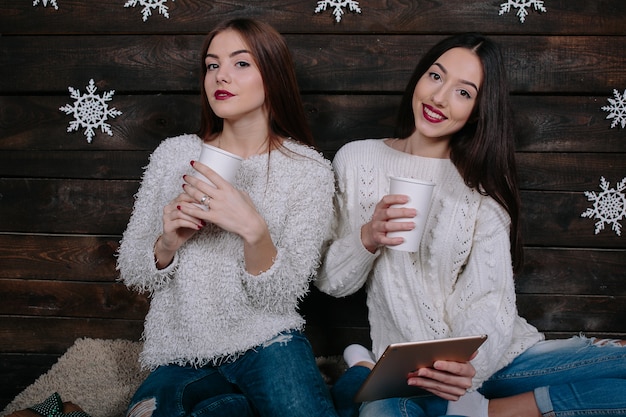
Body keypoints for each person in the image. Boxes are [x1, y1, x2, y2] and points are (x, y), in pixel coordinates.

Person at [315, 33, 626, 417]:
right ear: (419, 78)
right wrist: (368, 236)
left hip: (491, 359)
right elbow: (331, 281)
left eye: (463, 93)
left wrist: (469, 367)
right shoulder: (356, 160)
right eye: (435, 76)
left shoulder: (480, 189)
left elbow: (489, 301)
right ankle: (395, 378)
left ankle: (486, 409)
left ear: (478, 110)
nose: (439, 98)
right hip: (405, 370)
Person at [117, 18, 338, 417]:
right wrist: (168, 242)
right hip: (180, 349)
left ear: (272, 75)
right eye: (212, 64)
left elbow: (282, 295)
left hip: (268, 343)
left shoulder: (309, 170)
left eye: (240, 63)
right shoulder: (173, 154)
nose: (221, 76)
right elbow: (134, 270)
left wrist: (254, 231)